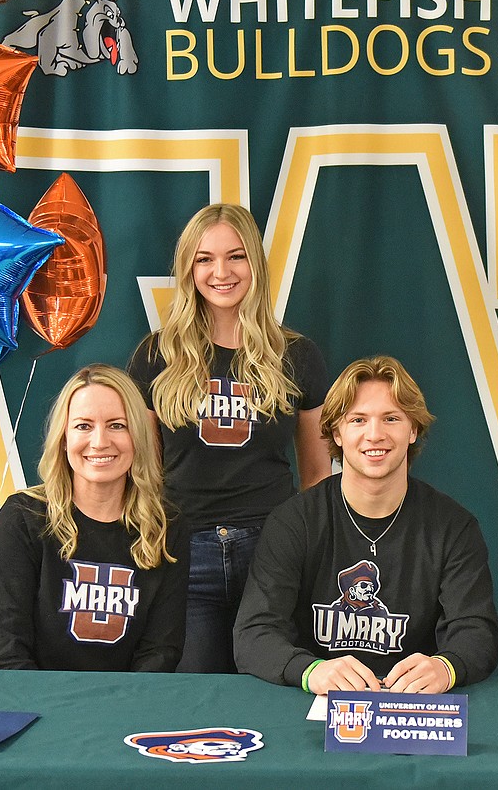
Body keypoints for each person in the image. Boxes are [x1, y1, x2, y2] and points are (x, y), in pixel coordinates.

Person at [128, 203, 331, 673]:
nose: (221, 272)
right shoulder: (155, 356)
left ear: (255, 264)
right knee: (196, 697)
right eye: (205, 259)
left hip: (272, 549)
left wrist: (308, 554)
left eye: (235, 256)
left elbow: (318, 473)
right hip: (185, 549)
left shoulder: (297, 355)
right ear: (188, 269)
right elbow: (145, 471)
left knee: (271, 687)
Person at [234, 356, 498, 695]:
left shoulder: (452, 526)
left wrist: (445, 668)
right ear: (337, 432)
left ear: (413, 429)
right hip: (315, 706)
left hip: (412, 707)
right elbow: (254, 633)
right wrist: (311, 671)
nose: (375, 435)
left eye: (391, 418)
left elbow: (477, 630)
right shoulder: (294, 521)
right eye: (358, 420)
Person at [0, 364, 190, 671]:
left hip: (129, 710)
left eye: (117, 425)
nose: (100, 441)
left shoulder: (166, 528)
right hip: (38, 707)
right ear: (63, 437)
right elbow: (8, 655)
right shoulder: (21, 519)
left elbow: (160, 654)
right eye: (83, 426)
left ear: (138, 436)